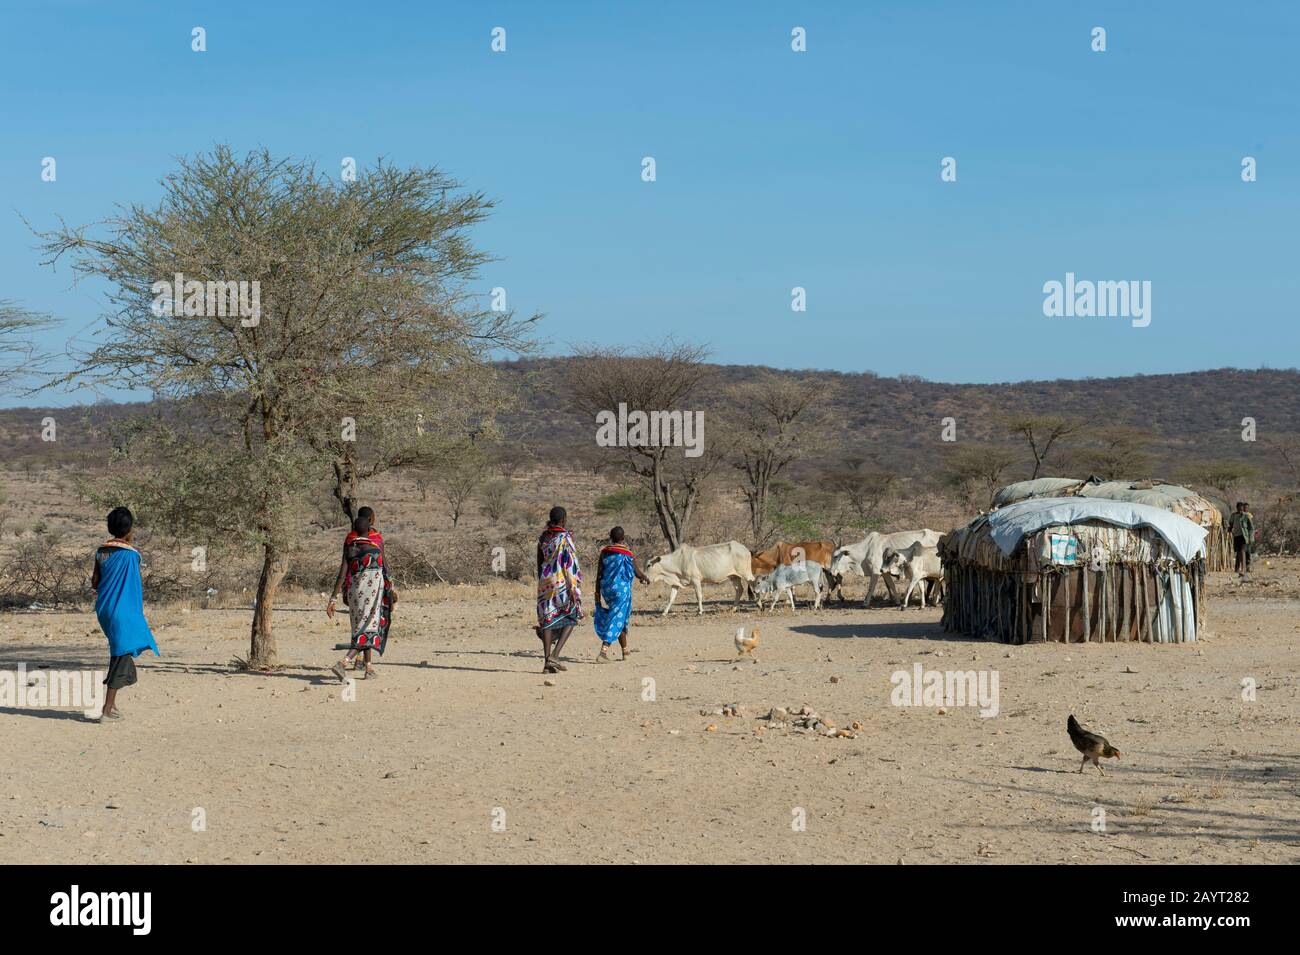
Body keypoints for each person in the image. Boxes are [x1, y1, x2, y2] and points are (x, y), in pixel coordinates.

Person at [90, 507, 160, 723]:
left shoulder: (101, 551)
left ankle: (113, 704)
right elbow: (132, 585)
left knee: (120, 651)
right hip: (123, 611)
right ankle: (107, 709)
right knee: (121, 654)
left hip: (104, 610)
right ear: (129, 528)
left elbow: (95, 583)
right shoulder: (131, 555)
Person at [327, 510, 396, 681]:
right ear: (369, 527)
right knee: (368, 628)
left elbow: (341, 575)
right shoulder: (376, 546)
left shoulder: (350, 546)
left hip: (353, 594)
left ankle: (369, 669)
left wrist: (333, 598)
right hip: (371, 594)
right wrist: (391, 589)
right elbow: (385, 569)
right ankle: (343, 662)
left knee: (362, 627)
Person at [535, 506, 582, 674]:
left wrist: (542, 582)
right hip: (562, 581)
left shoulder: (543, 537)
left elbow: (539, 562)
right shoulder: (564, 537)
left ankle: (547, 663)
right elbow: (570, 564)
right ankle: (555, 655)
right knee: (573, 614)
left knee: (548, 618)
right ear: (563, 520)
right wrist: (573, 587)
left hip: (545, 581)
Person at [592, 526, 650, 662]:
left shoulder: (605, 552)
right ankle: (603, 651)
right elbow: (637, 572)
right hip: (621, 591)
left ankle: (625, 651)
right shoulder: (627, 553)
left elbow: (599, 574)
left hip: (606, 590)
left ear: (610, 538)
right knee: (616, 618)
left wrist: (597, 593)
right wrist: (645, 578)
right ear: (623, 538)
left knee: (620, 617)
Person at [1227, 501, 1255, 576]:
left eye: (1241, 508)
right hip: (1236, 535)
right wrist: (1228, 530)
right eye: (1239, 508)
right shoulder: (1233, 515)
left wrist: (1250, 537)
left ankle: (1243, 569)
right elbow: (1231, 524)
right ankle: (1238, 568)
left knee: (1242, 551)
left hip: (1244, 536)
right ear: (1237, 508)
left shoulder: (1246, 516)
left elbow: (1251, 528)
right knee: (1238, 552)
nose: (1240, 509)